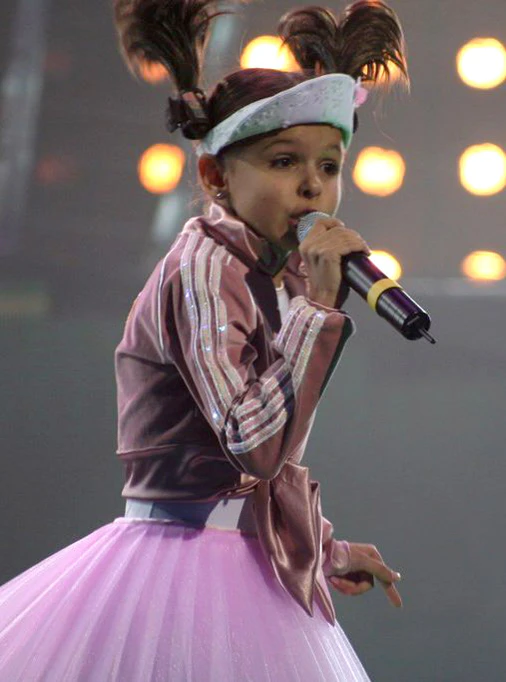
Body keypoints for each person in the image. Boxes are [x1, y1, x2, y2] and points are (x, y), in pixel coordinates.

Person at [0, 0, 409, 679]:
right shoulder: (205, 270)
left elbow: (254, 484)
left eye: (330, 166)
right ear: (216, 176)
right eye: (285, 161)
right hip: (176, 564)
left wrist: (325, 549)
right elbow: (253, 444)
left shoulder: (281, 275)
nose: (313, 185)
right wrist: (317, 310)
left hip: (242, 562)